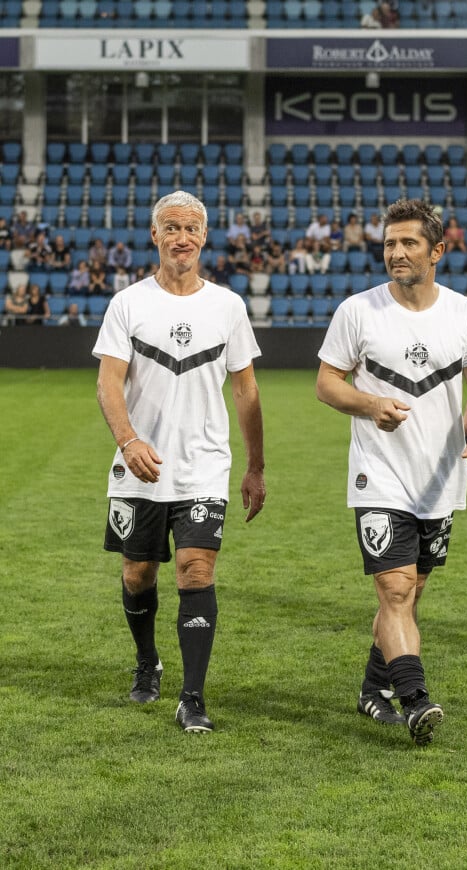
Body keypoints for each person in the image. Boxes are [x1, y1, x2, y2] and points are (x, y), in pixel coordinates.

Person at [316, 199, 467, 745]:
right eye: (390, 243)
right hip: (379, 473)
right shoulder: (358, 310)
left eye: (408, 243)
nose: (396, 252)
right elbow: (327, 383)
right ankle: (415, 700)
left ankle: (374, 690)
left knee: (411, 592)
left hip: (440, 476)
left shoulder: (464, 312)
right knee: (395, 589)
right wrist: (370, 406)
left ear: (437, 250)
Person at [93, 190, 266, 734]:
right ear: (155, 235)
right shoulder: (128, 304)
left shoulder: (228, 306)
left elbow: (246, 392)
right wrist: (128, 441)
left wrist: (255, 467)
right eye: (171, 227)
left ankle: (192, 697)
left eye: (191, 228)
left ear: (205, 237)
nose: (181, 237)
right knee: (138, 573)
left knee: (196, 569)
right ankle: (148, 662)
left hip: (203, 466)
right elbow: (108, 382)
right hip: (140, 465)